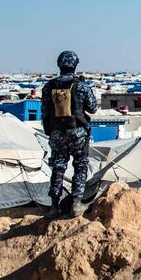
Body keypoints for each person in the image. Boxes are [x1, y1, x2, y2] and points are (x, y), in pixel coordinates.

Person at [41, 51, 98, 218]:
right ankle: (76, 203)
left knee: (58, 168)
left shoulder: (48, 87)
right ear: (75, 65)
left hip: (57, 133)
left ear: (59, 65)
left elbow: (44, 111)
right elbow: (93, 108)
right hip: (78, 132)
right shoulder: (80, 86)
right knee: (80, 166)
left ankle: (53, 206)